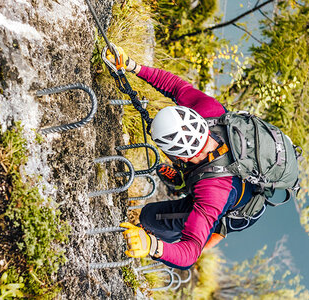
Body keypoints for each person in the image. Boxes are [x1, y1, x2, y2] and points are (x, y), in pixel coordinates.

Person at [106, 47, 257, 270]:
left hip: (235, 205)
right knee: (191, 180)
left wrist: (151, 244)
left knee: (150, 216)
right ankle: (183, 180)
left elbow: (189, 253)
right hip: (226, 170)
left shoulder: (214, 190)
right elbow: (177, 87)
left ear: (179, 155)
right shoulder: (210, 111)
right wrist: (132, 66)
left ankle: (163, 221)